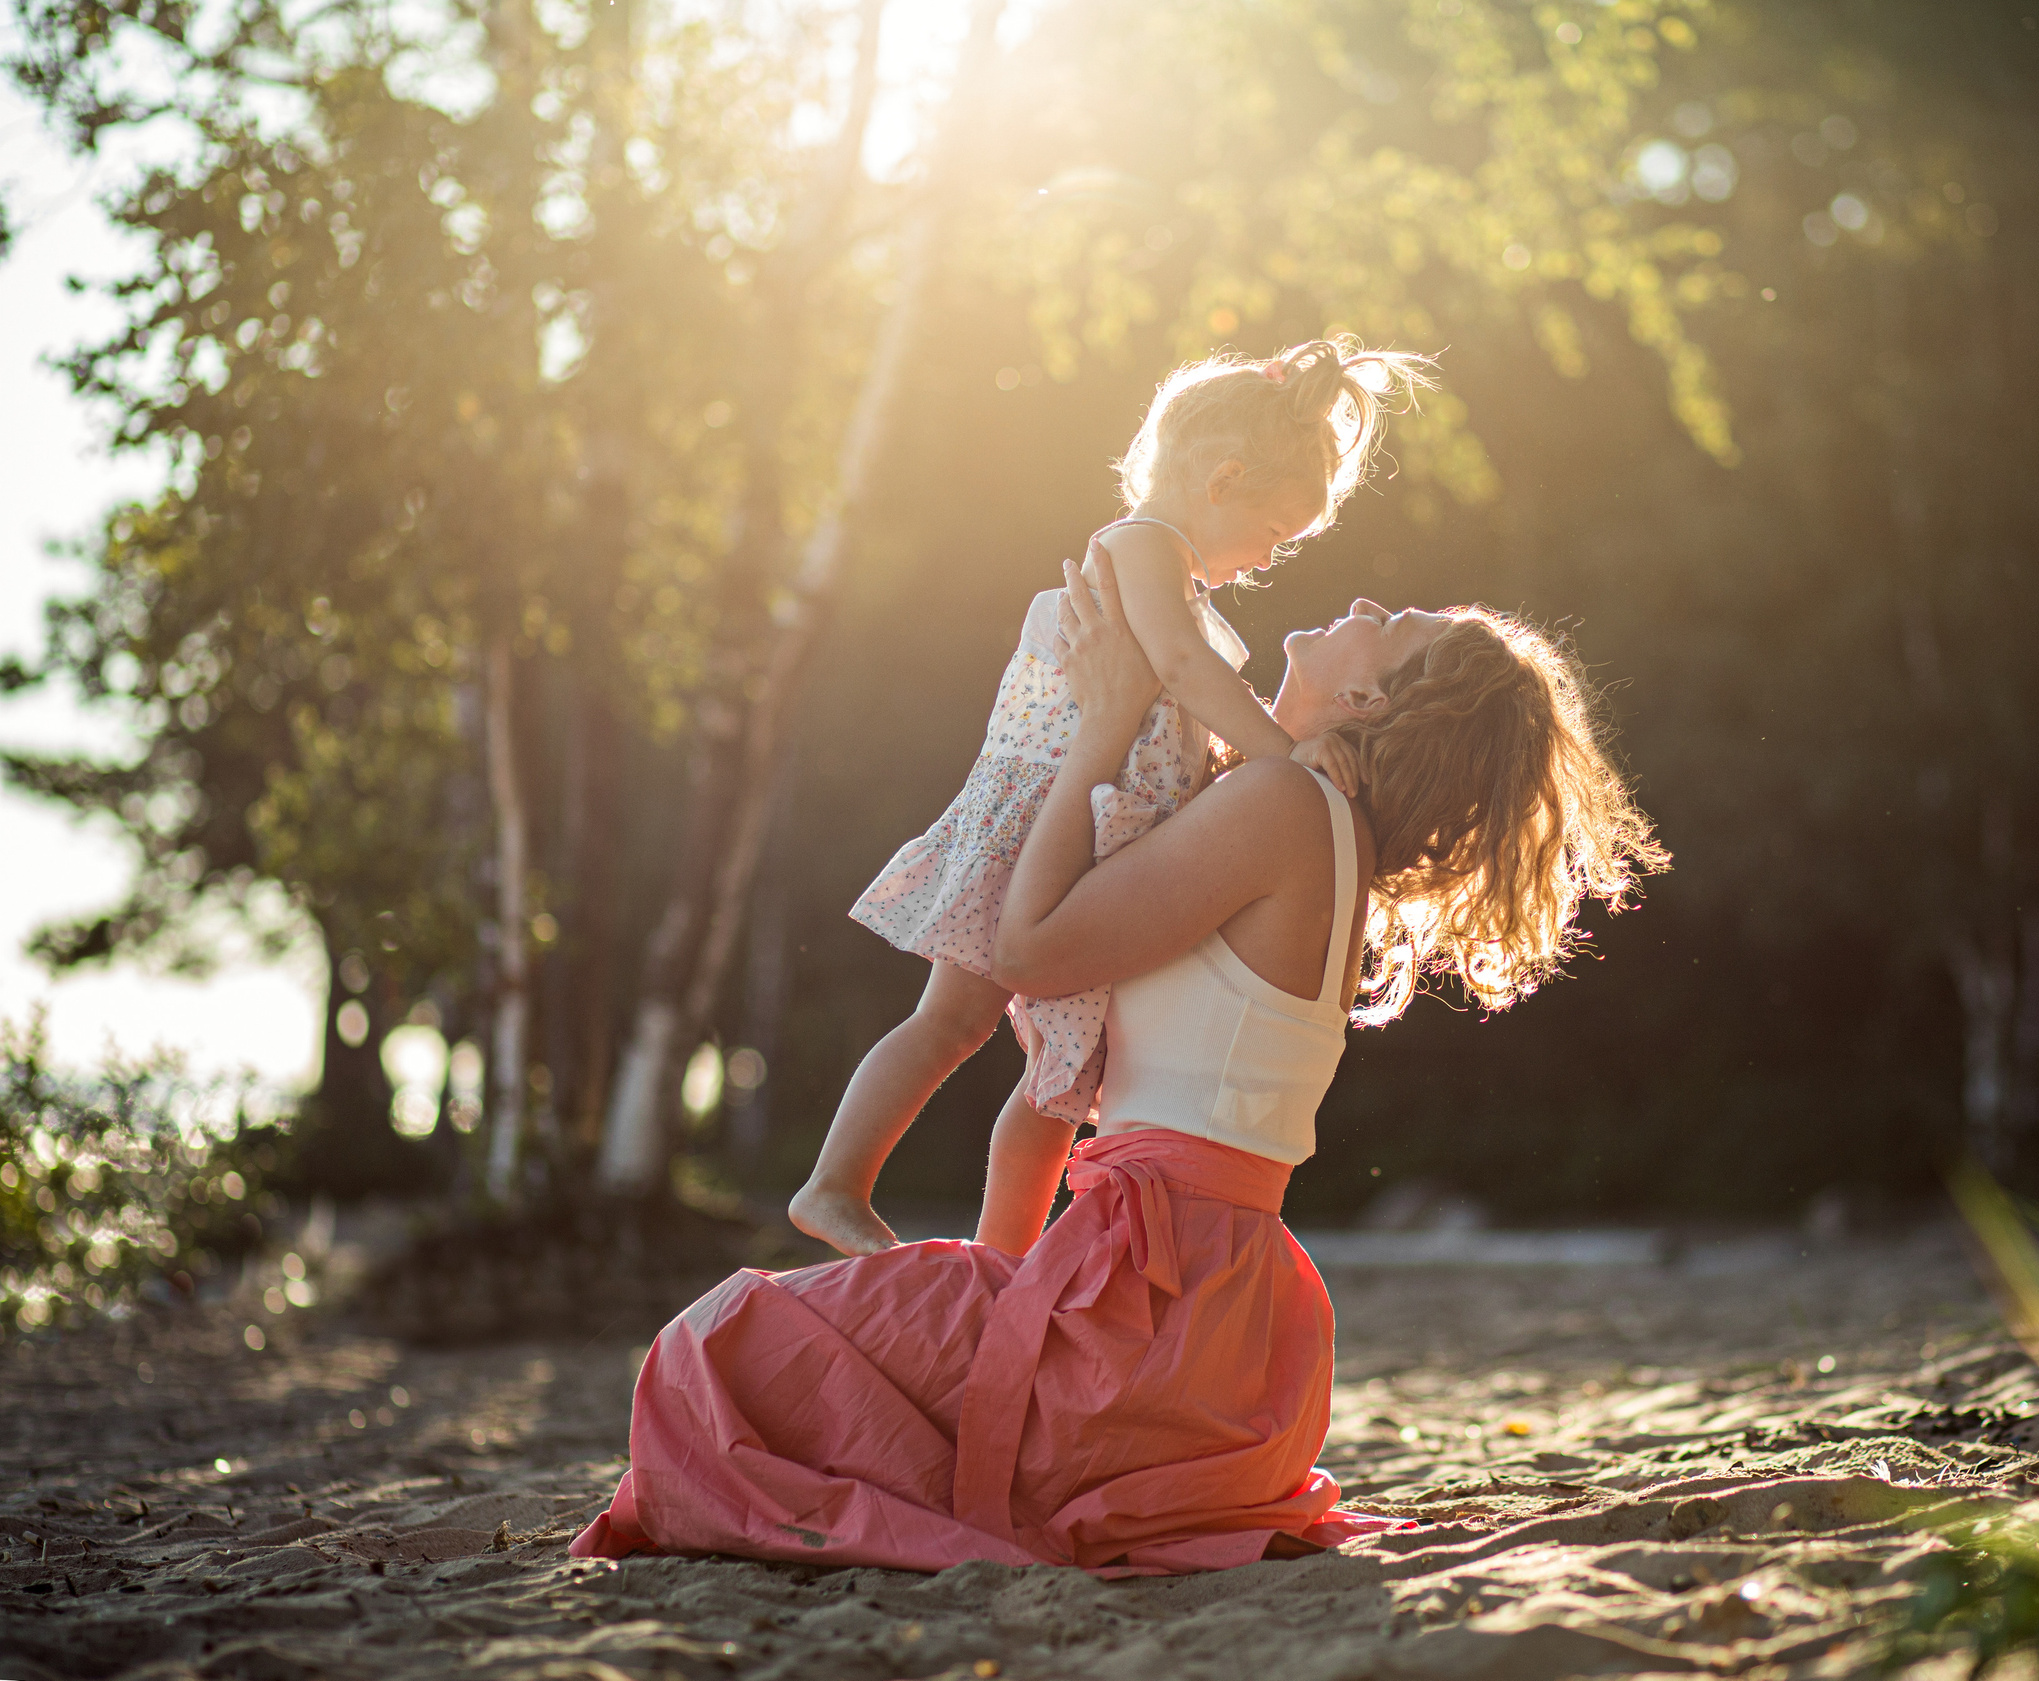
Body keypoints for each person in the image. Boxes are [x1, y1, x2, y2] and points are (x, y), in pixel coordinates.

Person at [571, 554, 1665, 1575]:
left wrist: (1094, 730)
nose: (1368, 607)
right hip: (1205, 1335)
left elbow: (1026, 950)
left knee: (708, 1353)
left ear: (1372, 703)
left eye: (1397, 626)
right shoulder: (1317, 829)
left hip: (1145, 1323)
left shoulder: (1286, 808)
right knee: (798, 1359)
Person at [793, 336, 1435, 1261]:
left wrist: (1279, 746)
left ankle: (1003, 1261)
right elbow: (1177, 670)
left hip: (1099, 831)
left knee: (1063, 1082)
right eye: (1273, 536)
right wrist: (1287, 755)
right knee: (952, 1020)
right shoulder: (1141, 548)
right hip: (1041, 815)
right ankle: (834, 1183)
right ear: (1223, 478)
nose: (1263, 562)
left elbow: (1192, 697)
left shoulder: (1181, 584)